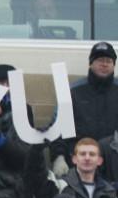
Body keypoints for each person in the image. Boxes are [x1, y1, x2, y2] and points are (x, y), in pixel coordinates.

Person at [50, 42, 118, 178]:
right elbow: (58, 127)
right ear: (90, 63)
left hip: (113, 166)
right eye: (99, 60)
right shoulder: (73, 92)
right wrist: (59, 156)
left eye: (108, 61)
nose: (104, 64)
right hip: (79, 165)